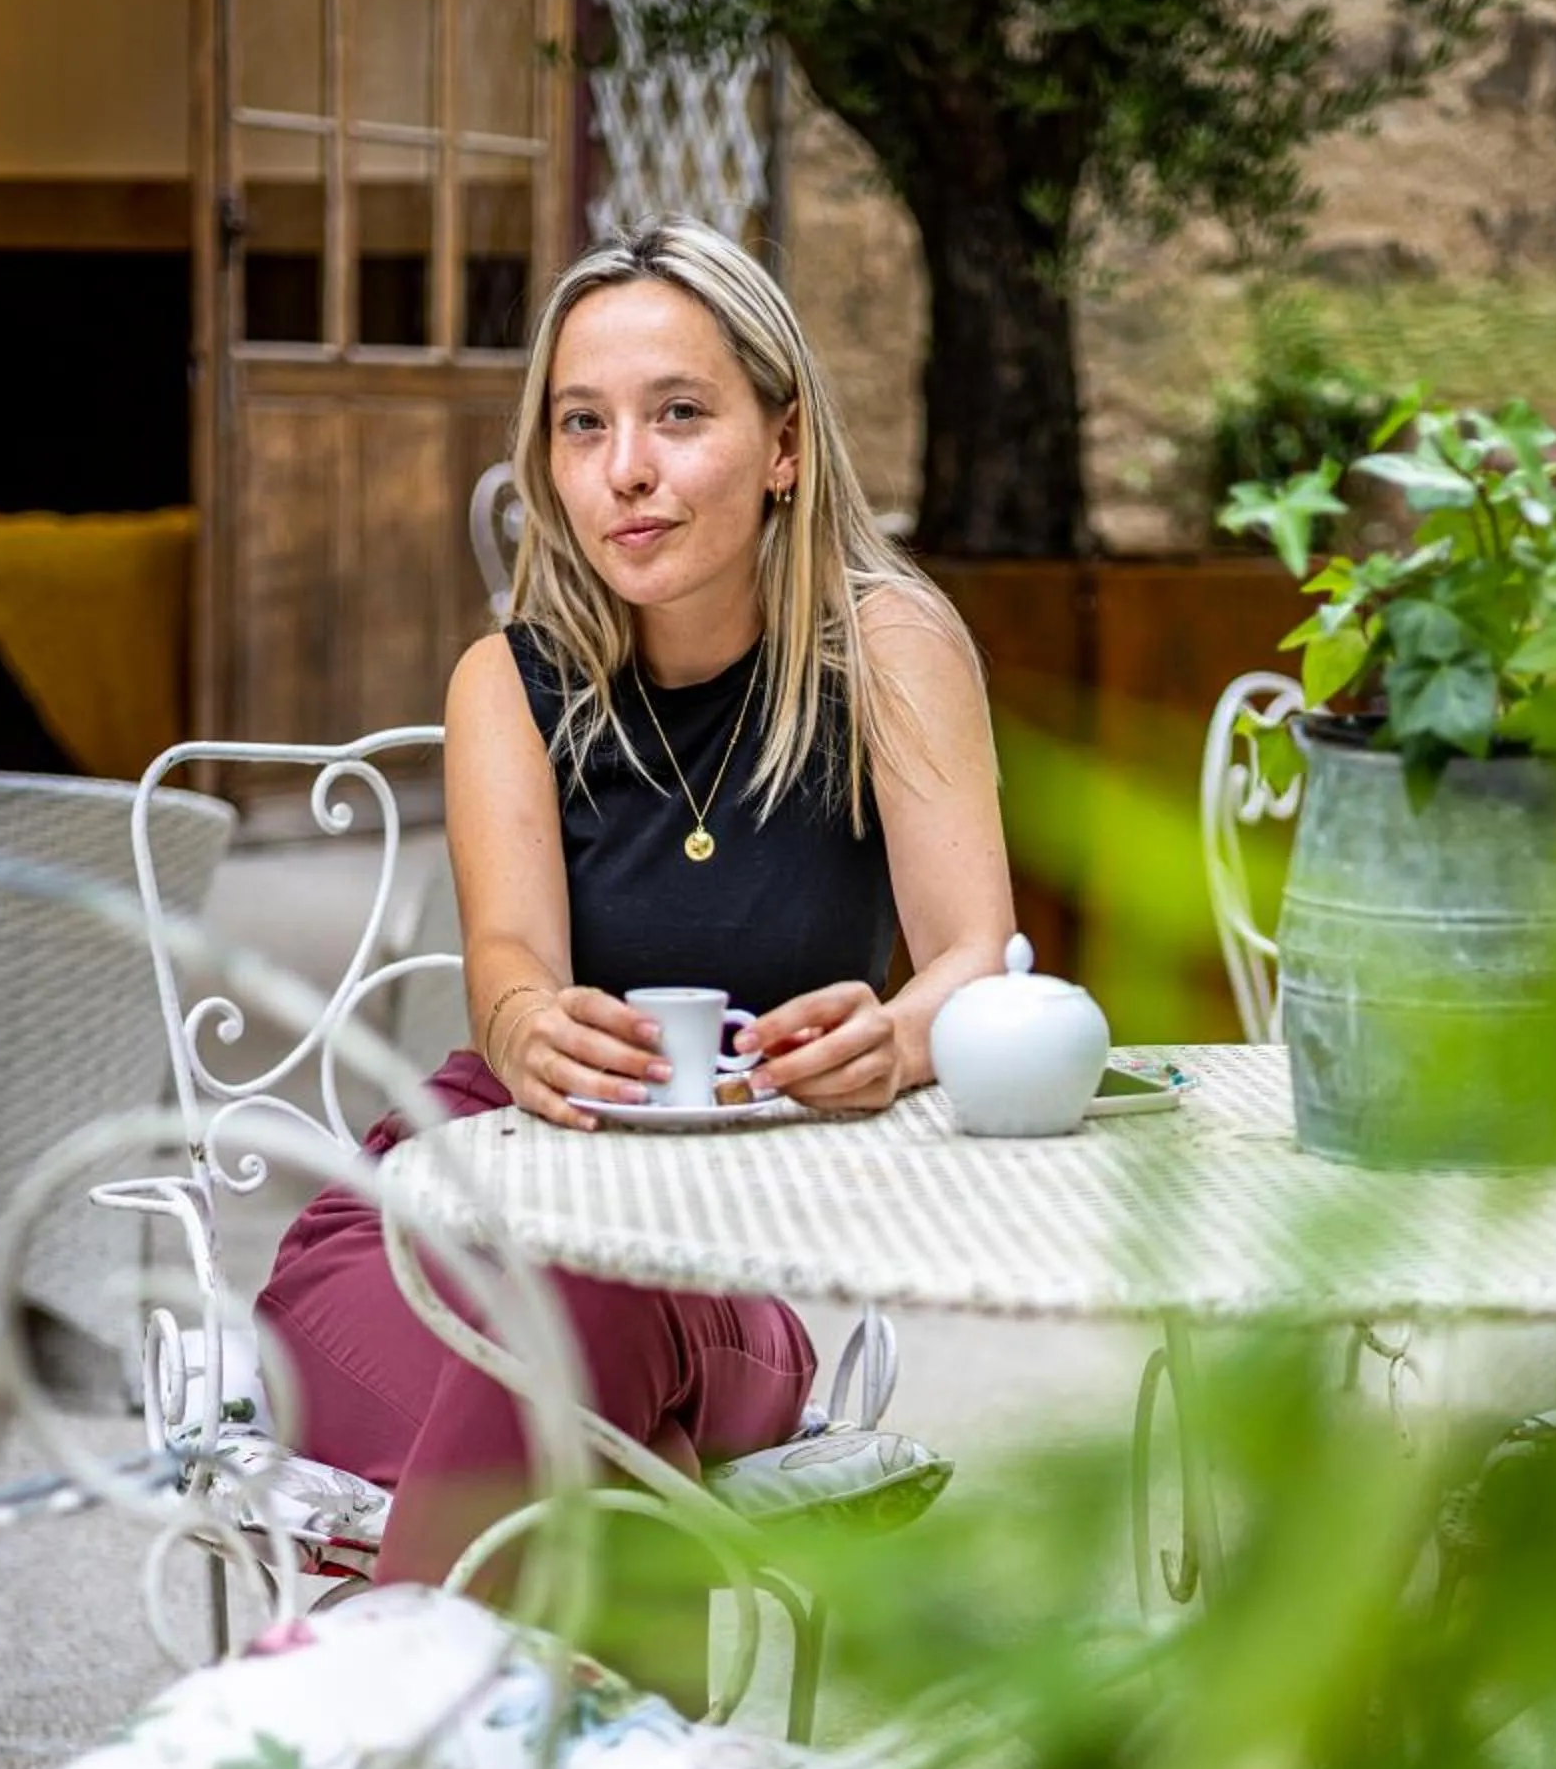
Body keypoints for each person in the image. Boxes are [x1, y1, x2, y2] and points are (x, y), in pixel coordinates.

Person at [255, 218, 1014, 1596]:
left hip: (702, 1279)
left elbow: (973, 955)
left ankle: (386, 1736)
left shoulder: (886, 649)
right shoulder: (511, 681)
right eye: (582, 424)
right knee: (582, 1436)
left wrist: (899, 1040)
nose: (628, 472)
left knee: (579, 1333)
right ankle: (612, 1767)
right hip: (426, 1232)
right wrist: (529, 1025)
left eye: (679, 415)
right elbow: (509, 965)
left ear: (784, 443)